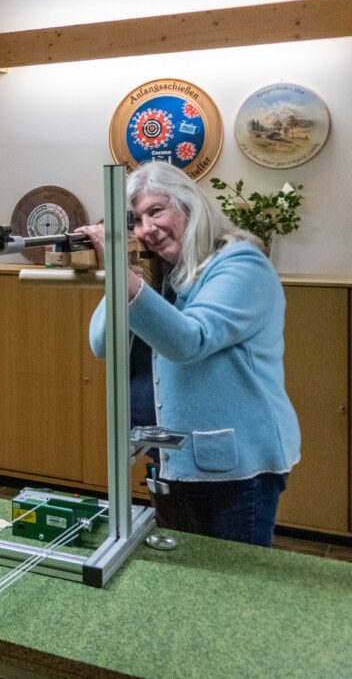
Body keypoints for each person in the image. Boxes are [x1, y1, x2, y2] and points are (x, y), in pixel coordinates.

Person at [79, 161, 300, 547]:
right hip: (170, 460)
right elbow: (102, 345)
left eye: (156, 211)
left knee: (234, 587)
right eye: (136, 220)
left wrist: (124, 278)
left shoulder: (240, 264)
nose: (147, 229)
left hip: (234, 472)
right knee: (186, 584)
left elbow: (189, 341)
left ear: (190, 206)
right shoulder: (163, 274)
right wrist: (122, 273)